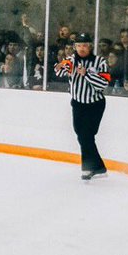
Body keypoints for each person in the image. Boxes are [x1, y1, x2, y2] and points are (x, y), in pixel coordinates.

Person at [53, 32, 111, 180]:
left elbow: (103, 84)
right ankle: (98, 167)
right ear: (74, 47)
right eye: (78, 45)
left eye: (84, 45)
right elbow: (58, 72)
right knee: (82, 136)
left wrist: (86, 74)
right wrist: (61, 66)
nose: (81, 48)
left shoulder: (100, 62)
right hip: (78, 104)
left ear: (90, 46)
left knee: (87, 135)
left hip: (95, 104)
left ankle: (88, 168)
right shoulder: (71, 60)